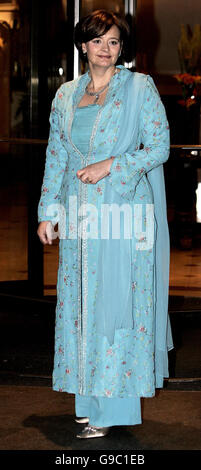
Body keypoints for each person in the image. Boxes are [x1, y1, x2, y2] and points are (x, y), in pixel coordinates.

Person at [37, 9, 173, 439]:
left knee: (114, 307)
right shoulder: (64, 96)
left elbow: (160, 147)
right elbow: (57, 157)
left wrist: (112, 165)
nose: (107, 50)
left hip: (123, 213)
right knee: (81, 305)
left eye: (114, 42)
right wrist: (47, 211)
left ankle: (113, 407)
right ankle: (87, 396)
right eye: (98, 41)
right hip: (80, 216)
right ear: (83, 45)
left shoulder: (138, 88)